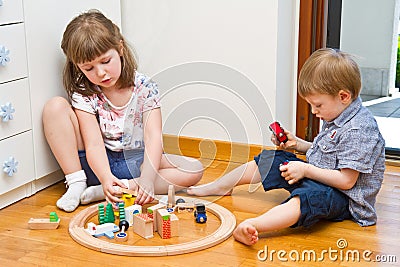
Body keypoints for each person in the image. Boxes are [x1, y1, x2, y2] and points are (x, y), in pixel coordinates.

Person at [188, 48, 385, 245]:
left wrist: (305, 169)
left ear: (343, 96)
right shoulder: (338, 112)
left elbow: (346, 181)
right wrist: (298, 144)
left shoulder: (359, 130)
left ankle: (254, 225)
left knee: (309, 197)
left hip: (343, 197)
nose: (314, 111)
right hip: (319, 176)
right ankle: (221, 186)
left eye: (318, 105)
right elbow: (330, 155)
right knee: (271, 160)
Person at [43, 10, 203, 212]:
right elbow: (92, 144)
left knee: (194, 169)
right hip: (98, 165)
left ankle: (120, 189)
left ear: (119, 48)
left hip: (136, 161)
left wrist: (147, 179)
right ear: (77, 67)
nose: (100, 73)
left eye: (105, 62)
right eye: (88, 68)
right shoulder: (84, 92)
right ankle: (78, 183)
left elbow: (153, 137)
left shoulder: (145, 87)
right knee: (54, 107)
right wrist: (105, 176)